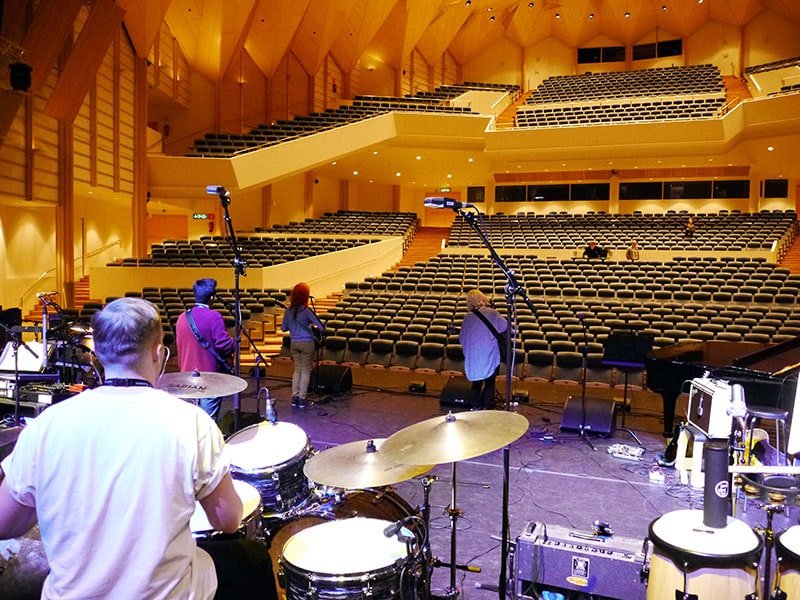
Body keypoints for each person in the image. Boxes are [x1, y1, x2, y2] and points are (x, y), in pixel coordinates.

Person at [0, 298, 277, 599]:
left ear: (100, 355)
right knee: (251, 555)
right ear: (159, 353)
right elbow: (228, 520)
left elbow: (5, 523)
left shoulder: (45, 426)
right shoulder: (191, 422)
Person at [176, 278, 236, 421]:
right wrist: (235, 343)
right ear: (212, 297)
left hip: (187, 378)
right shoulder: (214, 317)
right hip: (210, 378)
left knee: (190, 422)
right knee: (207, 423)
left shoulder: (181, 318)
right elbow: (224, 344)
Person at [459, 289, 507, 410]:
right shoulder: (493, 313)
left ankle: (475, 407)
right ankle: (486, 408)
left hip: (474, 355)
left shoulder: (467, 317)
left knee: (477, 382)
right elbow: (505, 327)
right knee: (490, 382)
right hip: (489, 352)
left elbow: (462, 337)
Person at [281, 282, 325, 408]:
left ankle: (294, 397)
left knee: (297, 370)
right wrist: (311, 326)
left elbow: (283, 328)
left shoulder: (288, 311)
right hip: (307, 343)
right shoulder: (306, 311)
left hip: (294, 343)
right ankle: (302, 398)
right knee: (306, 370)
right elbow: (321, 327)